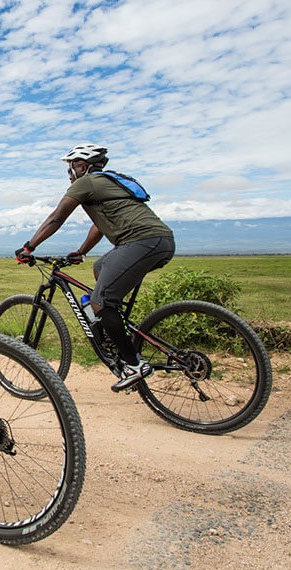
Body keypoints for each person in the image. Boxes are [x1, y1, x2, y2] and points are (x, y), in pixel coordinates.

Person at [15, 143, 176, 392]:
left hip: (141, 241)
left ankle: (134, 364)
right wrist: (81, 252)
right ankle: (115, 329)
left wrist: (29, 247)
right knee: (101, 267)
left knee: (100, 301)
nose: (70, 173)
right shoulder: (109, 183)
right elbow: (100, 226)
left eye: (72, 167)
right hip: (161, 241)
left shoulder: (86, 183)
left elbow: (57, 217)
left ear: (83, 166)